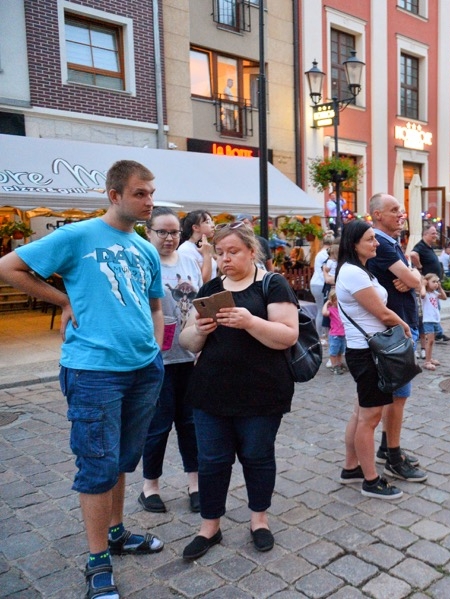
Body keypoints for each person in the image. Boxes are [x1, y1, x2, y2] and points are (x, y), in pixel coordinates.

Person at [0, 160, 166, 599]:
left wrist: (155, 350)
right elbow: (8, 268)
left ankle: (116, 533)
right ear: (114, 195)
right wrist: (63, 299)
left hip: (144, 368)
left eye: (151, 193)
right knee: (96, 464)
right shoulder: (77, 236)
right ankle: (97, 562)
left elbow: (153, 306)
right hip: (94, 371)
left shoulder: (147, 247)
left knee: (120, 459)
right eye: (139, 194)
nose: (149, 202)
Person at [178, 222, 299, 560]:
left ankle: (259, 520)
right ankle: (210, 526)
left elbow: (287, 335)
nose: (225, 259)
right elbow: (187, 342)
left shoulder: (272, 285)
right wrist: (200, 331)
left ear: (251, 252)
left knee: (258, 457)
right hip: (210, 391)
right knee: (212, 460)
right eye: (220, 253)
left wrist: (249, 322)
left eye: (233, 252)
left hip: (262, 391)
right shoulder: (211, 288)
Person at [335, 219, 411, 499]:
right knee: (370, 417)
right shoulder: (353, 273)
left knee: (360, 413)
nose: (376, 242)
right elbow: (382, 313)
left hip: (365, 350)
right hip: (367, 352)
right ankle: (370, 479)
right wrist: (403, 325)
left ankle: (351, 467)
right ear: (354, 244)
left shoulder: (357, 270)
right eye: (370, 239)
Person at [138, 208, 201, 515]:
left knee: (191, 423)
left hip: (188, 356)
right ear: (148, 232)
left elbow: (199, 305)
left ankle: (195, 484)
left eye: (174, 232)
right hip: (157, 359)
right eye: (162, 232)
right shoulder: (143, 263)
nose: (169, 238)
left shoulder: (190, 261)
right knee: (158, 425)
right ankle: (150, 486)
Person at [366, 193, 428, 482]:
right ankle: (393, 456)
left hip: (399, 324)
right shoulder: (385, 247)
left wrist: (414, 277)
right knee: (398, 397)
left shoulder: (390, 245)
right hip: (396, 328)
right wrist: (414, 279)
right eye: (394, 210)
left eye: (402, 210)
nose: (401, 215)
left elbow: (416, 279)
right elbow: (417, 280)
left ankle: (385, 447)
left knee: (395, 396)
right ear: (377, 215)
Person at [410, 225, 450, 343]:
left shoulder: (428, 247)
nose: (435, 235)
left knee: (436, 307)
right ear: (425, 234)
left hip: (434, 284)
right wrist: (420, 267)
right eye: (433, 233)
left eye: (436, 233)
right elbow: (413, 255)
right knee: (433, 307)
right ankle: (435, 333)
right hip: (428, 286)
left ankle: (438, 332)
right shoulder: (420, 246)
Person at [179, 210, 216, 282]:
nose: (213, 225)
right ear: (195, 228)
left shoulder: (201, 246)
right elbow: (202, 281)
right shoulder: (185, 249)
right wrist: (206, 255)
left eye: (212, 221)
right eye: (207, 222)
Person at [310, 234, 335, 337]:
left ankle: (321, 335)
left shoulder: (320, 253)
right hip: (321, 284)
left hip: (316, 283)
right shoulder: (326, 254)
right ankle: (320, 336)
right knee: (322, 310)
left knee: (321, 310)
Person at [421, 273, 447, 370]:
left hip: (435, 320)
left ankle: (429, 358)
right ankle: (427, 362)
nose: (436, 284)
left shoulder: (434, 293)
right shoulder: (425, 293)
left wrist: (440, 288)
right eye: (433, 282)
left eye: (437, 282)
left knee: (432, 341)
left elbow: (444, 297)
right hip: (428, 320)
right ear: (427, 282)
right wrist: (423, 284)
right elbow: (422, 294)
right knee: (430, 341)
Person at [325, 290, 347, 373]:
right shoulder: (331, 309)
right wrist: (327, 303)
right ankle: (334, 366)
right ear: (333, 300)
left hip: (342, 334)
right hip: (335, 334)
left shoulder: (342, 309)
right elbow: (324, 313)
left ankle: (339, 364)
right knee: (334, 351)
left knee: (340, 351)